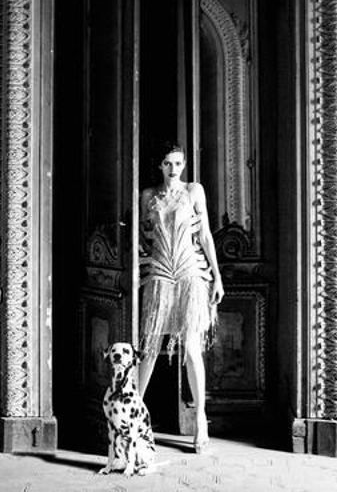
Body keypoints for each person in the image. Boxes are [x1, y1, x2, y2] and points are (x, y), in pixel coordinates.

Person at [138, 141, 224, 453]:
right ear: (159, 166)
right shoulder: (148, 195)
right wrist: (139, 262)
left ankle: (200, 420)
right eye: (167, 163)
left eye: (178, 163)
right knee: (149, 347)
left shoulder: (194, 191)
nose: (173, 169)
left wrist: (217, 276)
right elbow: (140, 237)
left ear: (184, 164)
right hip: (160, 271)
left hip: (190, 270)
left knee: (191, 347)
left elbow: (205, 235)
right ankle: (133, 417)